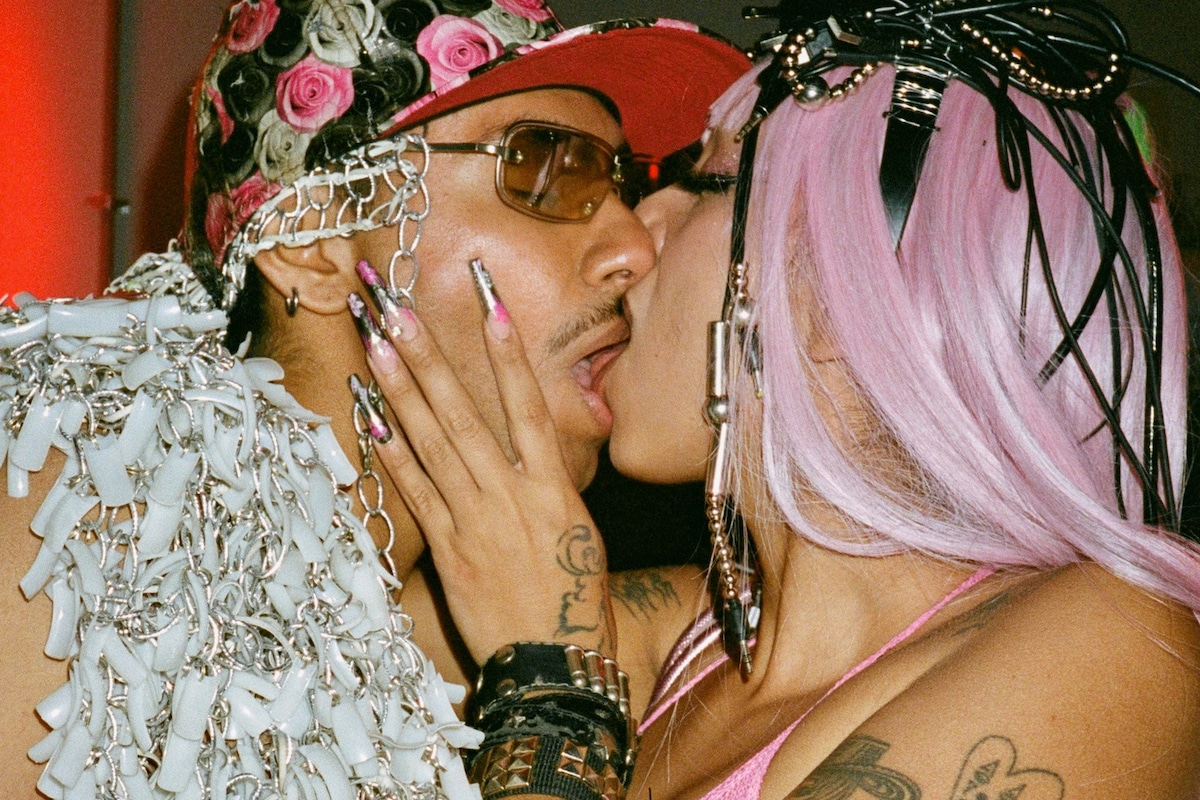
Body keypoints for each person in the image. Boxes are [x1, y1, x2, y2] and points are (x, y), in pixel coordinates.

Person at [357, 1, 1200, 798]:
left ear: (842, 289)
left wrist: (551, 692)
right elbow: (309, 630)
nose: (639, 228)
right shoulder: (676, 640)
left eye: (707, 181)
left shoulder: (1113, 647)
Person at [0, 1, 748, 797]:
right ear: (313, 246)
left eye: (620, 181)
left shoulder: (421, 624)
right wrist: (552, 704)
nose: (633, 245)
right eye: (545, 166)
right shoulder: (68, 539)